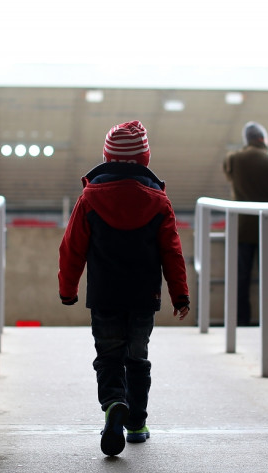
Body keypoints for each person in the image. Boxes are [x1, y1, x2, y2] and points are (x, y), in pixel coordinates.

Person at [58, 120, 190, 457]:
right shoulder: (159, 201)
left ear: (108, 156)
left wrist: (68, 289)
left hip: (104, 295)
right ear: (145, 158)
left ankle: (114, 403)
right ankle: (136, 424)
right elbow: (172, 252)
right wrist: (180, 294)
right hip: (145, 296)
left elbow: (72, 247)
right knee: (137, 358)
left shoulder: (89, 198)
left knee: (108, 356)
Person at [223, 121, 268, 326]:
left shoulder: (234, 159)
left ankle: (241, 321)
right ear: (263, 139)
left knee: (241, 278)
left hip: (242, 228)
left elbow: (229, 176)